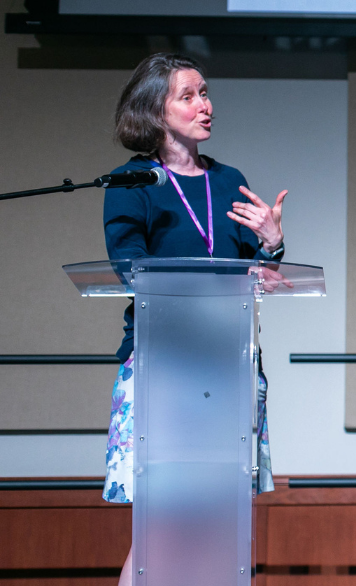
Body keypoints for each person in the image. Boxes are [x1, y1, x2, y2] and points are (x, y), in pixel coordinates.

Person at [103, 53, 288, 585]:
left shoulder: (230, 180)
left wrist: (272, 246)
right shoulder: (132, 182)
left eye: (205, 92)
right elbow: (125, 266)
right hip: (165, 368)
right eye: (188, 95)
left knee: (216, 528)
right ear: (154, 112)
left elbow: (257, 275)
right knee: (158, 529)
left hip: (224, 367)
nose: (204, 104)